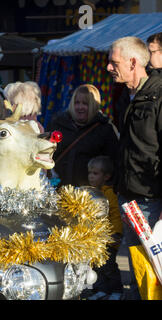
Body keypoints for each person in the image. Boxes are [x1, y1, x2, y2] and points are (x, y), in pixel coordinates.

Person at [107, 36, 162, 300]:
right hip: (128, 198)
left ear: (132, 62)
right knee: (140, 271)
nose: (108, 67)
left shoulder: (159, 95)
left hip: (154, 201)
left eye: (113, 62)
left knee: (158, 272)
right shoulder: (122, 96)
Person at [46, 84, 119, 187]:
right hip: (58, 189)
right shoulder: (57, 124)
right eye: (77, 103)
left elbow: (113, 164)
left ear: (93, 105)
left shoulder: (105, 130)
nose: (80, 107)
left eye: (85, 103)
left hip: (90, 194)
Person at [85, 155, 123, 300]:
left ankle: (117, 291)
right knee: (96, 266)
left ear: (106, 176)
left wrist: (116, 233)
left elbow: (115, 215)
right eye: (89, 173)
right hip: (94, 237)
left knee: (109, 267)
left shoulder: (109, 194)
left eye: (95, 174)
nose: (91, 177)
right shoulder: (90, 192)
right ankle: (101, 289)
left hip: (108, 238)